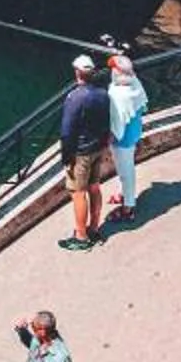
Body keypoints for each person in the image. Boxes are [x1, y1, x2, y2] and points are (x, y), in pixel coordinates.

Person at [58, 55, 114, 250]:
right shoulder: (103, 94)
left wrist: (66, 156)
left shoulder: (75, 97)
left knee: (78, 193)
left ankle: (81, 236)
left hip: (80, 152)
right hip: (98, 147)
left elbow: (67, 131)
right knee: (95, 187)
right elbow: (108, 121)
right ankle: (94, 227)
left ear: (77, 73)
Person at [105, 48, 148, 220]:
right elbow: (143, 105)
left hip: (122, 139)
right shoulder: (135, 84)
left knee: (125, 170)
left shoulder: (118, 94)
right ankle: (124, 196)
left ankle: (128, 207)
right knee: (126, 169)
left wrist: (109, 139)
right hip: (134, 131)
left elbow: (117, 123)